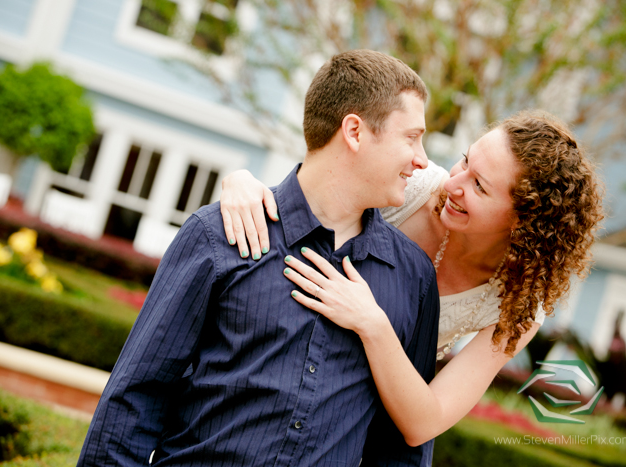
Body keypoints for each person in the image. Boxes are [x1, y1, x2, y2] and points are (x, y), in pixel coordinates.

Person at [77, 49, 440, 466]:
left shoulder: (412, 277)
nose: (422, 159)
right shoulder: (217, 235)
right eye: (411, 137)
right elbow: (136, 398)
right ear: (355, 132)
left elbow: (400, 451)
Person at [220, 109, 604, 445]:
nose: (453, 184)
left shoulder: (518, 306)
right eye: (465, 161)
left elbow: (425, 423)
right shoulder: (413, 188)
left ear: (524, 223)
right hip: (279, 368)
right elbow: (313, 186)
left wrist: (373, 324)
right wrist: (242, 182)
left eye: (479, 186)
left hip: (356, 423)